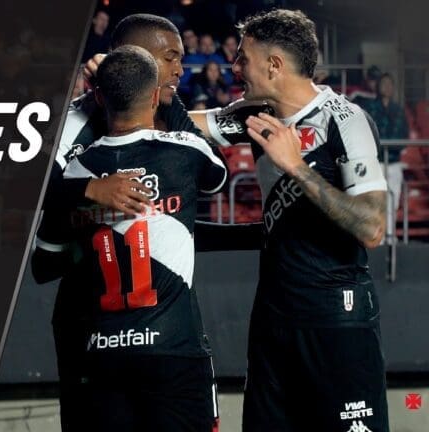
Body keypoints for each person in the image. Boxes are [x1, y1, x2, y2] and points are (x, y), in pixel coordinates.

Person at [186, 9, 389, 431]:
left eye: (243, 58)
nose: (234, 67)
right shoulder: (255, 114)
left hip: (335, 318)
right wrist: (118, 83)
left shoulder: (345, 119)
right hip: (274, 318)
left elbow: (372, 227)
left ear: (274, 65)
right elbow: (183, 126)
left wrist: (295, 166)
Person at [33, 45, 227, 432]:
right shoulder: (185, 152)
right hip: (174, 349)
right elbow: (216, 176)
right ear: (154, 96)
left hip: (103, 353)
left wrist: (97, 226)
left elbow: (44, 265)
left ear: (99, 98)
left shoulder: (74, 171)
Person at [356, 73, 409, 243]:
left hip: (394, 162)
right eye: (384, 83)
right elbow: (367, 132)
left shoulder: (398, 110)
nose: (387, 87)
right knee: (375, 200)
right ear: (378, 87)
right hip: (376, 161)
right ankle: (377, 237)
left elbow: (403, 135)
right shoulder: (370, 108)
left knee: (393, 201)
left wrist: (392, 147)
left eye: (390, 84)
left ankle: (390, 235)